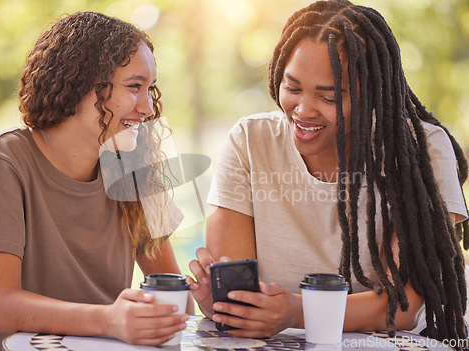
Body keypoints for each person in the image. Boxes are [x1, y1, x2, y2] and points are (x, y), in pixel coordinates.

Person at [188, 0, 469, 346]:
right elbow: (237, 292)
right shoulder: (251, 141)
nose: (303, 110)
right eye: (292, 88)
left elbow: (404, 307)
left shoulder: (420, 151)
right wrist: (220, 303)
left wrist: (296, 311)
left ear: (372, 95)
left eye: (330, 97)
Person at [0, 12, 192, 351]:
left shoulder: (134, 169)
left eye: (150, 89)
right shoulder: (5, 160)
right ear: (83, 83)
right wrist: (109, 320)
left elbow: (176, 298)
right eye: (134, 86)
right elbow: (0, 307)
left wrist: (197, 294)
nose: (148, 107)